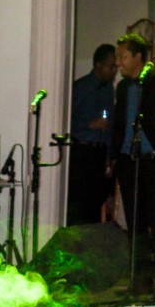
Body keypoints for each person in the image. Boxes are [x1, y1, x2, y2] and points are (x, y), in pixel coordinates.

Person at [111, 32, 155, 293]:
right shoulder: (122, 88)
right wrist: (114, 158)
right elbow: (119, 124)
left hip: (154, 161)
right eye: (117, 57)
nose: (118, 62)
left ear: (137, 57)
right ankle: (141, 279)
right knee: (135, 223)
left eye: (123, 56)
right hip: (128, 161)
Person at [67, 43, 117, 226]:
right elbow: (65, 121)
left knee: (97, 203)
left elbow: (109, 126)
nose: (114, 71)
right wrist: (89, 124)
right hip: (82, 152)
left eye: (115, 67)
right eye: (111, 66)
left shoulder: (109, 89)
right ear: (98, 65)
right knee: (80, 204)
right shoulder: (81, 87)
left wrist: (109, 156)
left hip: (100, 153)